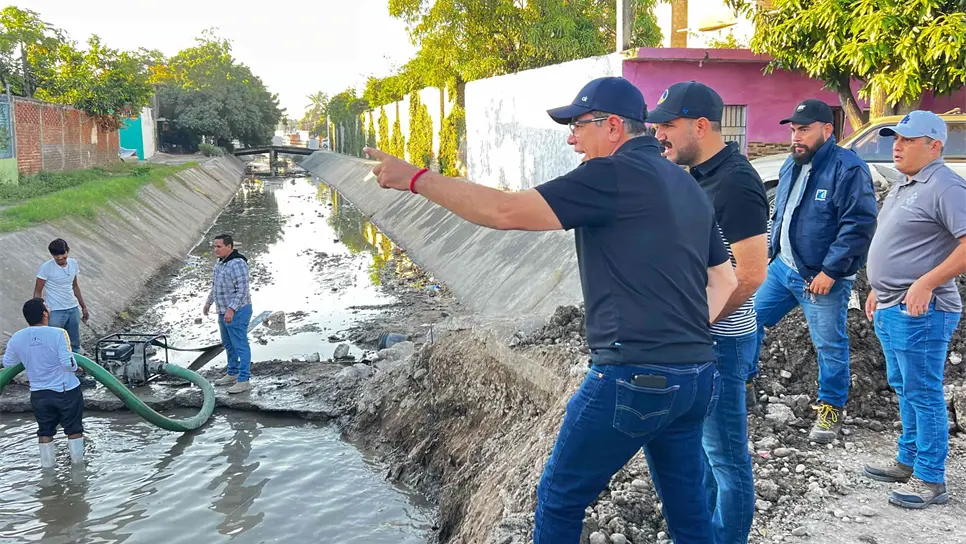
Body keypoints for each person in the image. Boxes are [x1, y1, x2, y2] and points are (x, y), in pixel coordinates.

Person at [364, 76, 738, 543]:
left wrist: (416, 179)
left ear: (614, 127)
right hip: (696, 376)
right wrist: (681, 334)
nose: (571, 138)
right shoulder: (685, 185)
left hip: (633, 376)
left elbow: (504, 211)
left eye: (579, 125)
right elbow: (726, 278)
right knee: (690, 513)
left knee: (560, 499)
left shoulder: (610, 175)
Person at [650, 81, 769, 544]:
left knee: (725, 458)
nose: (660, 135)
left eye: (668, 126)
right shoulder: (690, 174)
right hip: (694, 336)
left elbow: (751, 273)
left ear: (700, 126)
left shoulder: (735, 182)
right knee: (694, 451)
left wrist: (701, 322)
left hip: (720, 338)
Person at [752, 99, 878, 444]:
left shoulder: (847, 169)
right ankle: (744, 383)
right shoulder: (793, 165)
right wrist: (772, 252)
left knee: (829, 344)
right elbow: (783, 214)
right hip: (782, 270)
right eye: (793, 129)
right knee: (748, 323)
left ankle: (831, 408)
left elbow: (858, 225)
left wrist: (831, 272)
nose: (796, 136)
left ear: (827, 130)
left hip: (820, 278)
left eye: (804, 129)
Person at [862, 111, 966, 509]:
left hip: (923, 309)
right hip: (891, 304)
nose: (897, 146)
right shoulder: (906, 185)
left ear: (935, 146)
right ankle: (907, 459)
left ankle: (930, 478)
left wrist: (926, 282)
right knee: (905, 387)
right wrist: (877, 287)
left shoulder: (946, 187)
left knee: (923, 391)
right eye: (895, 139)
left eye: (908, 139)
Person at [2, 298, 86, 467]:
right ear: (45, 314)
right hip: (65, 390)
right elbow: (67, 362)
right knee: (74, 430)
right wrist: (79, 368)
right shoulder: (58, 333)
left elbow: (8, 364)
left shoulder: (17, 337)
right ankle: (78, 469)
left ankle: (47, 471)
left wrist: (32, 359)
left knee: (45, 432)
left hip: (39, 392)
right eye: (47, 307)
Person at [33, 238, 95, 388]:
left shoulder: (73, 264)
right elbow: (37, 291)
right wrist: (39, 313)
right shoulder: (46, 268)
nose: (60, 259)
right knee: (54, 345)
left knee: (73, 344)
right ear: (52, 255)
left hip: (72, 309)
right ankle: (55, 377)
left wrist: (83, 306)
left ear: (67, 251)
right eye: (56, 256)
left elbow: (75, 286)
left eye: (63, 255)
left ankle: (76, 376)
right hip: (55, 312)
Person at [205, 234, 254, 394]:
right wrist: (208, 302)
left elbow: (242, 289)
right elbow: (215, 286)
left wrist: (232, 309)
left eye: (219, 246)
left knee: (240, 345)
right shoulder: (220, 264)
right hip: (222, 311)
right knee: (228, 344)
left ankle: (244, 379)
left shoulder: (238, 263)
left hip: (238, 311)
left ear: (229, 247)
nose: (215, 250)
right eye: (214, 246)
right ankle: (232, 373)